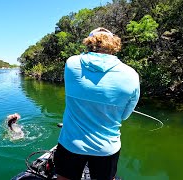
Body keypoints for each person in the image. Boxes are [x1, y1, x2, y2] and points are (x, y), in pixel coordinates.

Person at [54, 27, 140, 180]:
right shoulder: (131, 74)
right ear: (114, 44)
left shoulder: (72, 63)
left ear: (89, 43)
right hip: (106, 148)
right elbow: (125, 116)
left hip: (71, 144)